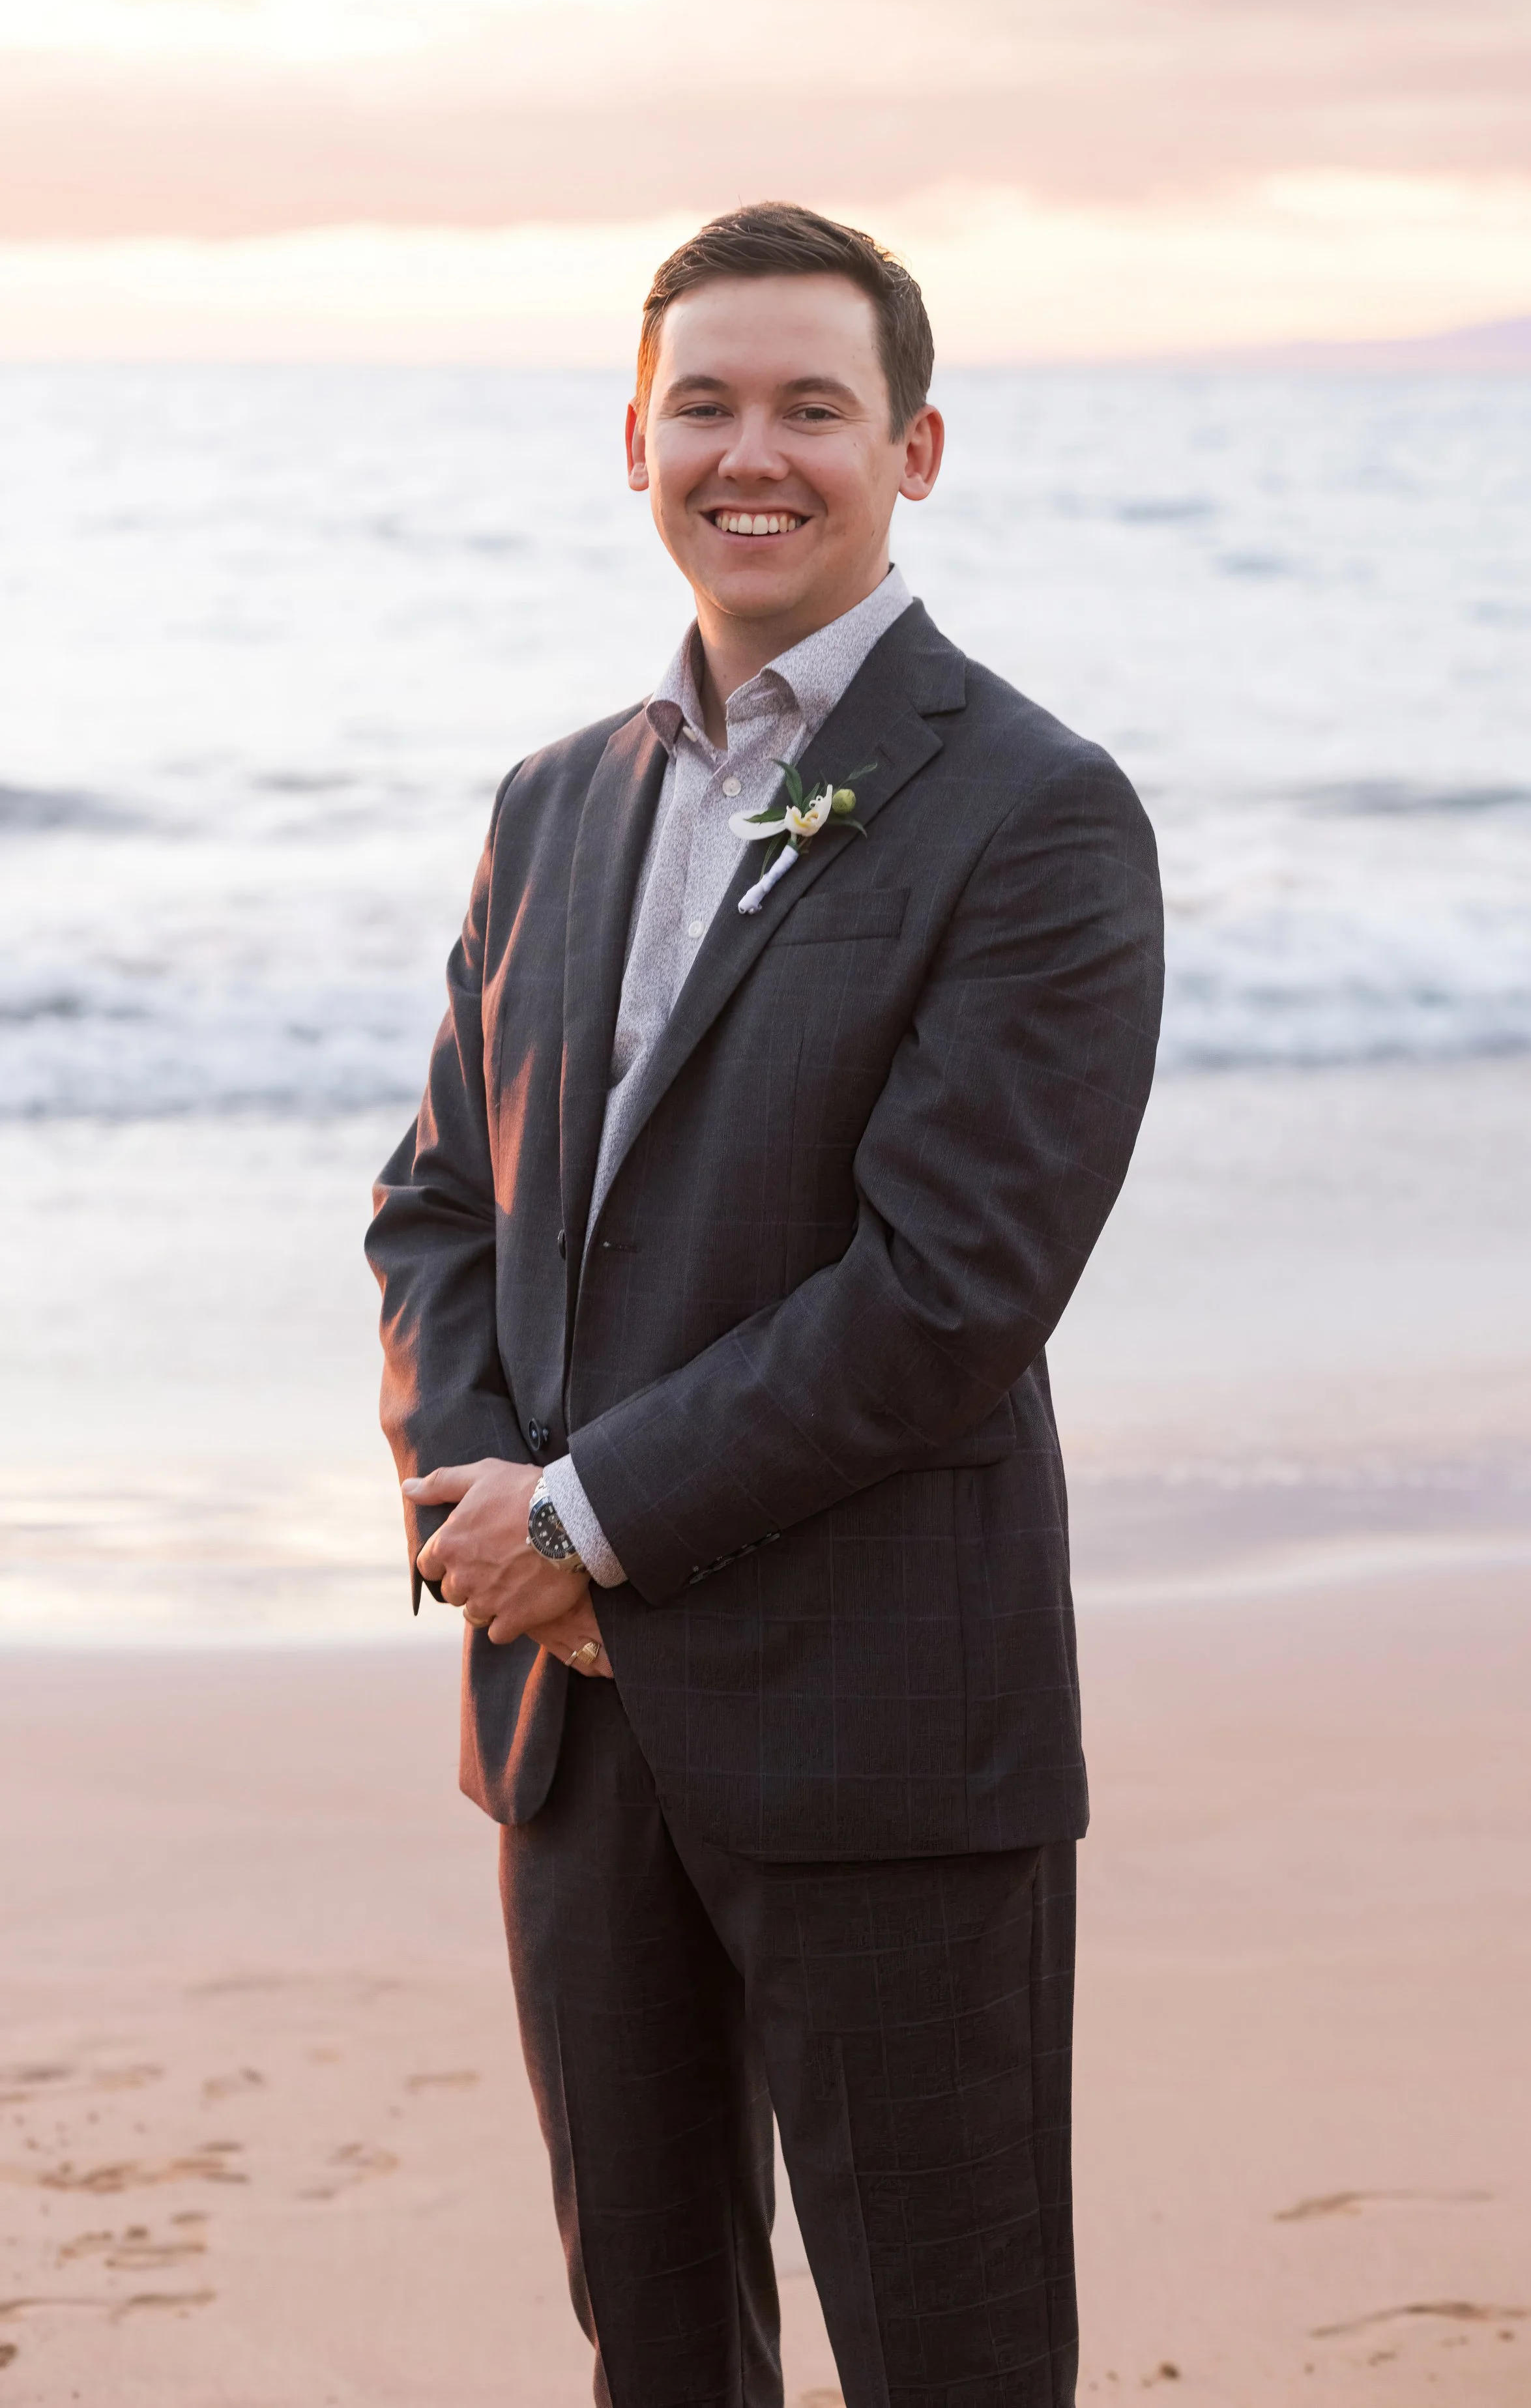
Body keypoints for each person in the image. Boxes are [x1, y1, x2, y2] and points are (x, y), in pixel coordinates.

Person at [366, 200, 1163, 2408]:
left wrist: (595, 1518)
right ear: (634, 438)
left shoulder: (1033, 812)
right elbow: (439, 1201)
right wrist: (488, 1521)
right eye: (703, 403)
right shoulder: (550, 807)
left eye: (812, 406)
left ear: (914, 449)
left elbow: (948, 1289)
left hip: (879, 1719)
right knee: (656, 2349)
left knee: (951, 2355)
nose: (754, 451)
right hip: (574, 1728)